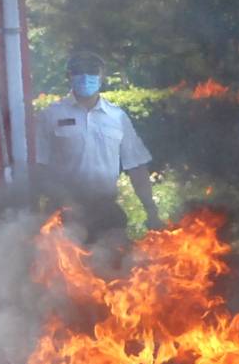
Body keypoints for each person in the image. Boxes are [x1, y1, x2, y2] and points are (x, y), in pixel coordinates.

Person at [33, 49, 163, 239]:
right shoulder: (51, 115)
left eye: (92, 71)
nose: (85, 76)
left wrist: (151, 210)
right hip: (64, 214)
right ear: (69, 76)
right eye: (78, 71)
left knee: (116, 265)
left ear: (102, 76)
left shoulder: (117, 117)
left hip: (105, 212)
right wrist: (59, 202)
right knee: (64, 267)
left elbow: (136, 166)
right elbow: (39, 167)